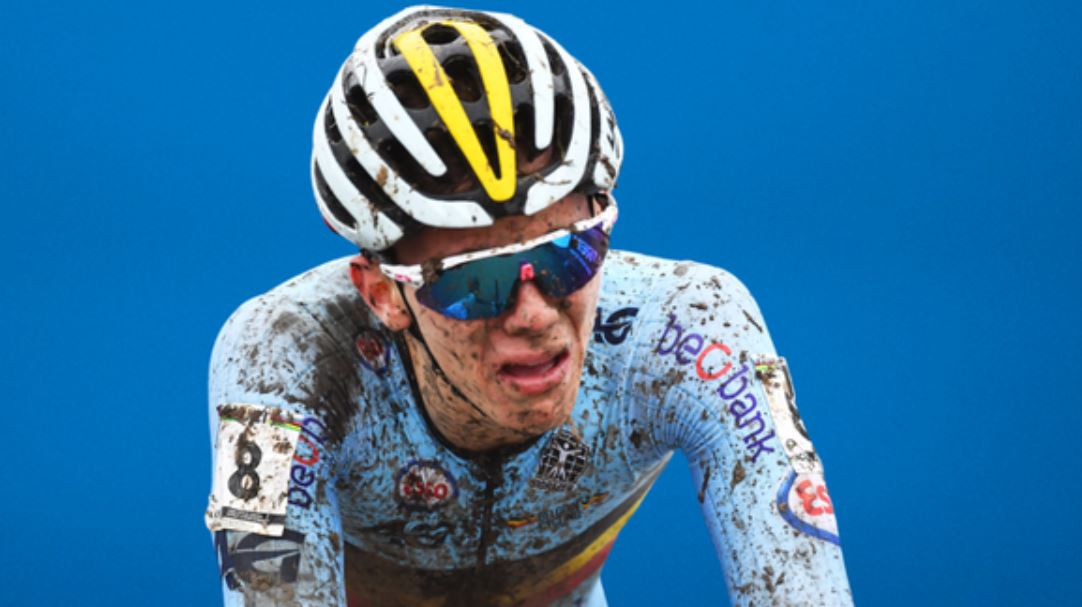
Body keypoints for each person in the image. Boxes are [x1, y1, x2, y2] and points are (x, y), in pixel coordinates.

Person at [204, 5, 853, 605]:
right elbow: (269, 588)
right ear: (383, 293)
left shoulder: (688, 331)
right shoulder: (283, 361)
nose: (534, 314)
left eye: (568, 254)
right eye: (474, 281)